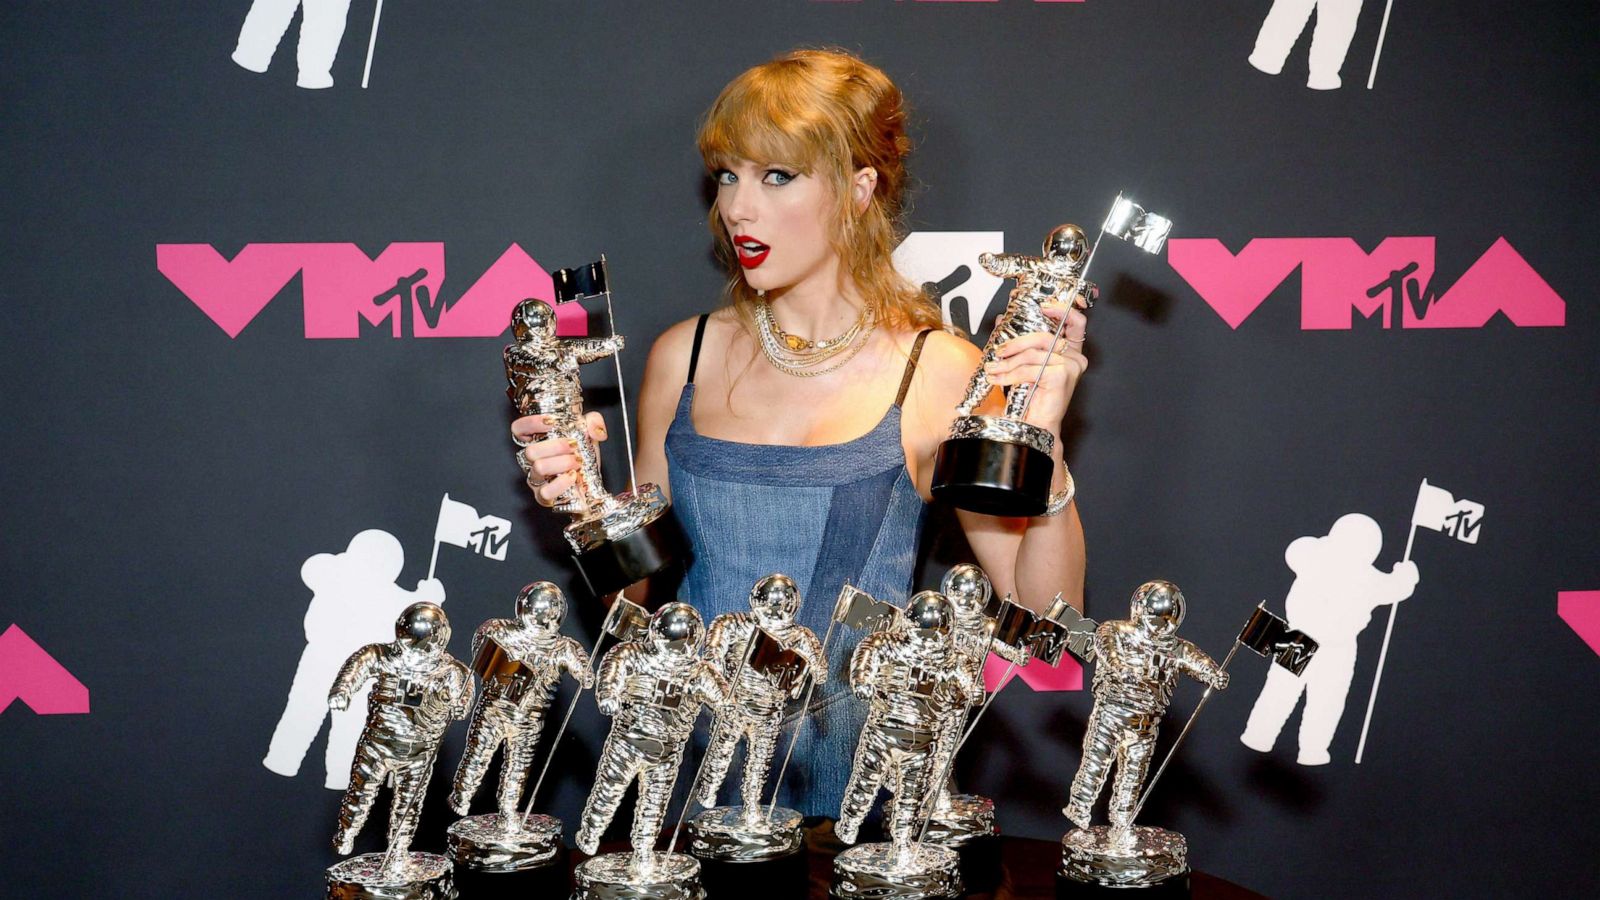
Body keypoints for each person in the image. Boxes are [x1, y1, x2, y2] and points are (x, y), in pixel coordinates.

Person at [513, 48, 1088, 818]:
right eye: (728, 176)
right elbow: (637, 606)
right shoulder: (681, 355)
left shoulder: (936, 367)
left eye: (777, 177)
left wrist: (1041, 447)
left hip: (863, 808)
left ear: (859, 189)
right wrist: (585, 503)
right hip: (688, 799)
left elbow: (1045, 622)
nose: (737, 209)